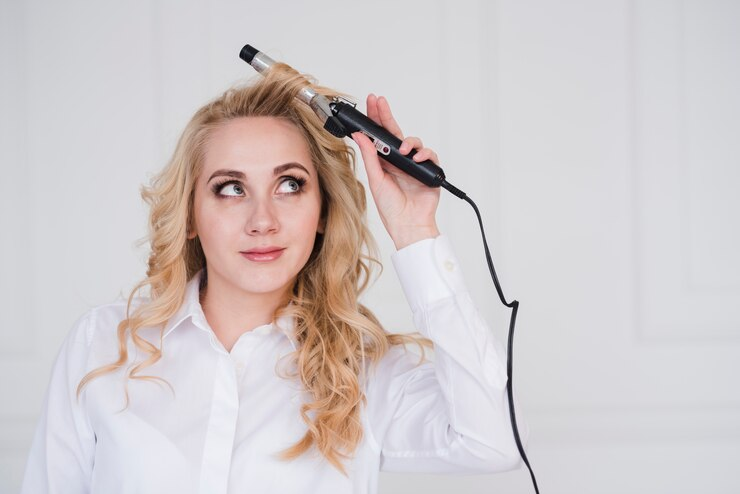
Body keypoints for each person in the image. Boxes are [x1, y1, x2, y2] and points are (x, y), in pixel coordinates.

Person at [20, 62, 528, 493]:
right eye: (230, 189)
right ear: (191, 216)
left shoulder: (363, 373)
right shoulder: (104, 347)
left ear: (323, 210)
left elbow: (495, 442)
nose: (262, 220)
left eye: (289, 184)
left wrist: (416, 230)